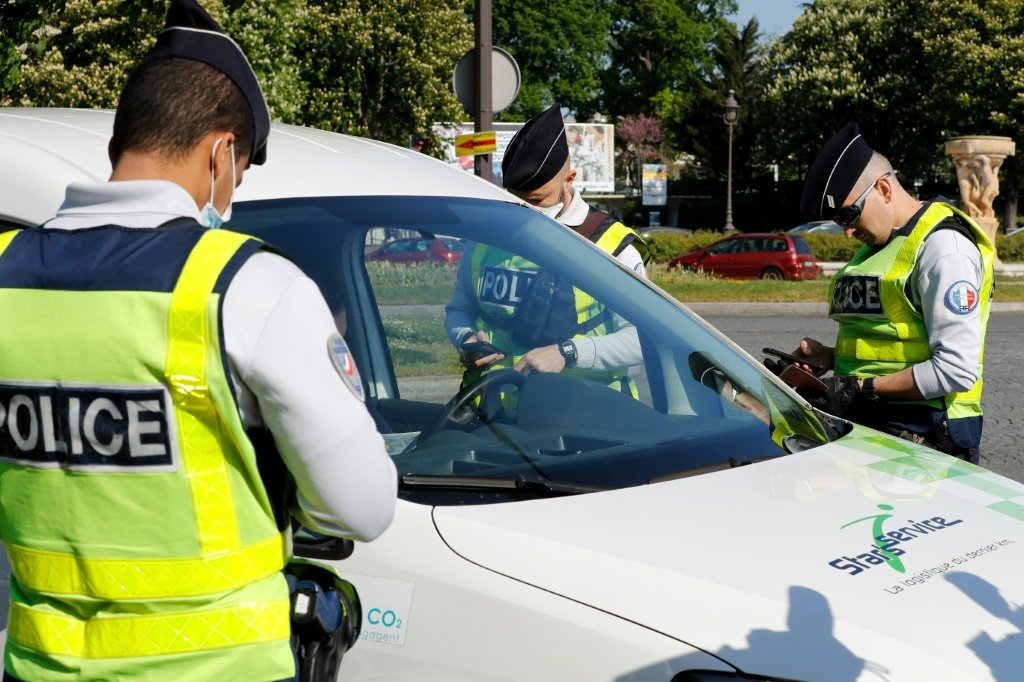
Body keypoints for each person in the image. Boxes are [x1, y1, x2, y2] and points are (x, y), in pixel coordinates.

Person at [0, 2, 396, 680]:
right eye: (239, 175)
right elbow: (360, 506)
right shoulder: (246, 287)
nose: (231, 194)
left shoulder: (6, 274)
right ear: (221, 152)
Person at [788, 122, 993, 463]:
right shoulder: (882, 245)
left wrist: (860, 390)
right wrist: (829, 356)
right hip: (879, 431)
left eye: (850, 214)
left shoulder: (944, 248)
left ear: (884, 189)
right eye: (840, 221)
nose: (848, 233)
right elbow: (891, 344)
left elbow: (956, 369)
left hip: (927, 439)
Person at [445, 103, 650, 395]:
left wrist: (568, 353)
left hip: (587, 418)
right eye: (515, 199)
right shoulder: (485, 242)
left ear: (569, 180)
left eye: (537, 200)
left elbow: (644, 338)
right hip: (492, 418)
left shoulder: (611, 248)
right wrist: (465, 339)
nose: (524, 211)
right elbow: (459, 310)